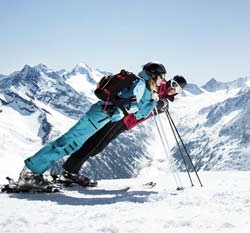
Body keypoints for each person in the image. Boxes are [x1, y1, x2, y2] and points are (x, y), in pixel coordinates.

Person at [17, 62, 167, 189]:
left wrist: (151, 100)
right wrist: (154, 102)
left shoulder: (140, 84)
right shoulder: (140, 85)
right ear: (153, 74)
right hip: (99, 115)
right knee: (68, 142)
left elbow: (130, 105)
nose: (163, 80)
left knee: (71, 143)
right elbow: (137, 110)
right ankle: (30, 174)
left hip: (101, 116)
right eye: (162, 76)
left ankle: (33, 172)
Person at [60, 75, 187, 186]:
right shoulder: (158, 86)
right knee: (95, 143)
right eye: (174, 84)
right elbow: (146, 98)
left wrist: (161, 105)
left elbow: (148, 111)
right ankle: (69, 172)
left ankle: (70, 171)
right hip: (122, 116)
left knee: (98, 145)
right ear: (170, 81)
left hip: (126, 123)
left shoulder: (163, 95)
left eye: (178, 89)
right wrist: (158, 102)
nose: (174, 88)